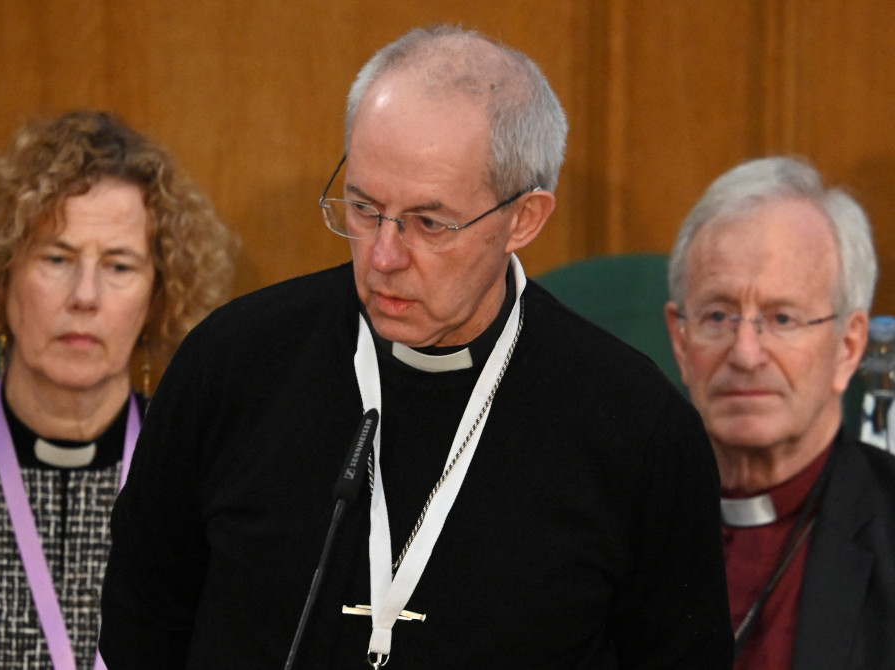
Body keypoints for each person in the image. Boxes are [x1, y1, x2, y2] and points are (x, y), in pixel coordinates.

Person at [100, 25, 733, 668]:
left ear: (524, 218)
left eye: (430, 223)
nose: (384, 256)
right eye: (364, 208)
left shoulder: (637, 428)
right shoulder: (232, 364)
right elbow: (141, 619)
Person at [0, 110, 234, 669]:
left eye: (119, 266)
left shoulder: (203, 478)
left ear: (158, 295)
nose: (85, 296)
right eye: (57, 258)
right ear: (0, 272)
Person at [664, 156, 895, 669]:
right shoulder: (607, 517)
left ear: (849, 347)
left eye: (782, 318)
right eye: (718, 315)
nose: (745, 353)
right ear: (681, 342)